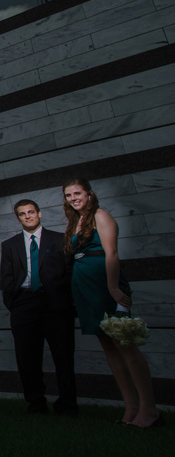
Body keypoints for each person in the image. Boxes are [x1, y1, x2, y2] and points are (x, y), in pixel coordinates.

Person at [63, 178, 161, 427]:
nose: (73, 198)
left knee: (124, 344)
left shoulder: (100, 215)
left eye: (77, 193)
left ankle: (149, 411)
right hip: (86, 290)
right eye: (67, 195)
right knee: (108, 347)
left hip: (105, 287)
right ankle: (131, 408)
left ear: (89, 194)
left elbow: (112, 253)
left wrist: (113, 287)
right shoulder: (76, 222)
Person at [0, 199, 77, 415]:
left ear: (39, 214)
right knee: (27, 358)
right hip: (24, 305)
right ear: (18, 218)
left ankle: (68, 404)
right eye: (22, 214)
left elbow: (70, 273)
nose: (28, 216)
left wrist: (69, 305)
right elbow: (6, 278)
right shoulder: (9, 245)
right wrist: (14, 304)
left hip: (55, 305)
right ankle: (36, 403)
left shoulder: (59, 239)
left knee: (63, 356)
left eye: (31, 212)